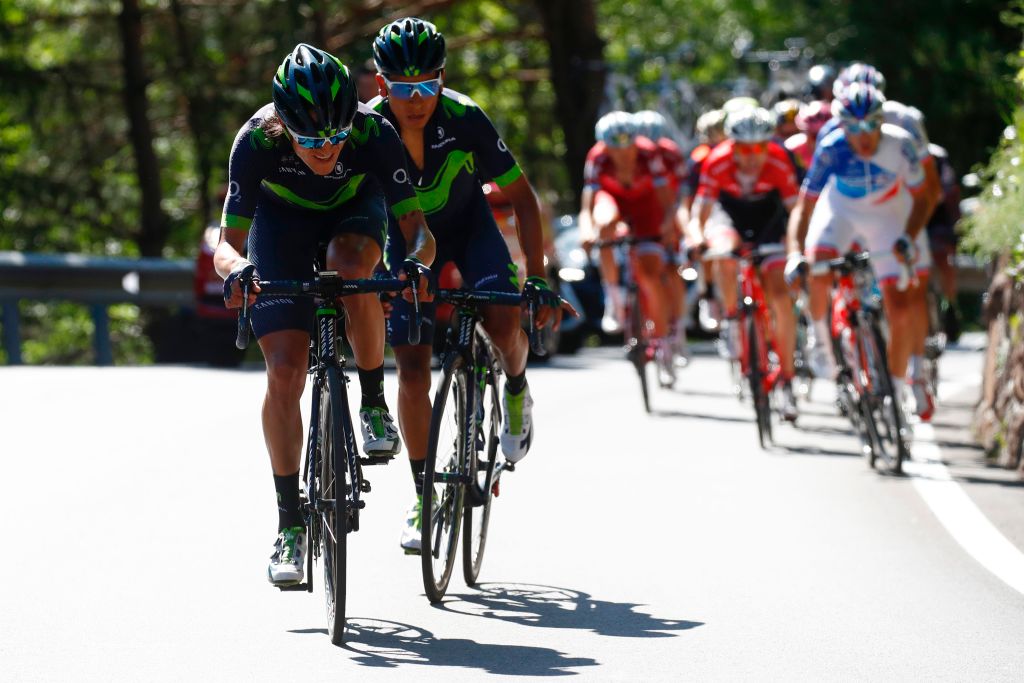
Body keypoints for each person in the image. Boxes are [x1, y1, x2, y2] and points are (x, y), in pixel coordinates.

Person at [217, 43, 436, 586]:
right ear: (283, 124)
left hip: (354, 213)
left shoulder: (373, 133)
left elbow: (419, 233)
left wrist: (414, 263)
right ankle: (289, 523)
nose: (327, 149)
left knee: (351, 266)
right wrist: (239, 269)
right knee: (285, 371)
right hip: (280, 225)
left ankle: (373, 402)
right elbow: (226, 245)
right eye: (312, 140)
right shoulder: (256, 140)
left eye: (336, 136)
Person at [367, 17, 564, 553]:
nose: (415, 99)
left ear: (443, 78)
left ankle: (516, 387)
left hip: (470, 228)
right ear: (381, 84)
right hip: (405, 242)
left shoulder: (465, 116)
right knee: (411, 369)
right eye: (401, 87)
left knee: (503, 322)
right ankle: (423, 496)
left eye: (427, 84)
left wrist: (537, 275)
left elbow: (522, 199)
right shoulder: (369, 128)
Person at [786, 84, 932, 420]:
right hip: (842, 211)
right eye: (853, 127)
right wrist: (794, 253)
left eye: (871, 125)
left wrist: (908, 237)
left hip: (886, 215)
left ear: (882, 121)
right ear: (842, 126)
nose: (863, 135)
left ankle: (896, 393)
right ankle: (821, 342)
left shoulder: (901, 144)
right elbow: (804, 208)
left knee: (900, 309)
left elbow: (923, 198)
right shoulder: (831, 147)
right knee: (818, 264)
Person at [693, 106, 802, 421]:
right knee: (724, 254)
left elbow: (795, 210)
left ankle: (787, 379)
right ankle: (732, 320)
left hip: (769, 220)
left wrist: (796, 246)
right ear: (732, 145)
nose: (753, 157)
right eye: (744, 149)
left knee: (780, 295)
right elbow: (701, 211)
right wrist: (696, 238)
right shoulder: (717, 161)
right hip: (730, 217)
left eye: (759, 148)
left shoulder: (779, 160)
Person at [579, 110, 678, 380]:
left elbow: (666, 198)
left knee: (650, 275)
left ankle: (662, 343)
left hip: (647, 207)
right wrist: (586, 231)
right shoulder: (597, 157)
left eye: (628, 147)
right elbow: (588, 204)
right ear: (605, 146)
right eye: (616, 148)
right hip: (613, 202)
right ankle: (613, 297)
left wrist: (668, 226)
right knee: (603, 225)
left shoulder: (648, 153)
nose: (623, 154)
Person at [634, 109, 690, 362]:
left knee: (671, 268)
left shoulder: (671, 152)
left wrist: (675, 222)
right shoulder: (635, 154)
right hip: (644, 214)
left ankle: (678, 325)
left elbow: (683, 191)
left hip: (670, 211)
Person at [924, 142, 963, 342]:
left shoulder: (937, 156)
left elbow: (949, 190)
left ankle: (950, 309)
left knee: (944, 261)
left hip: (938, 220)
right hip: (908, 217)